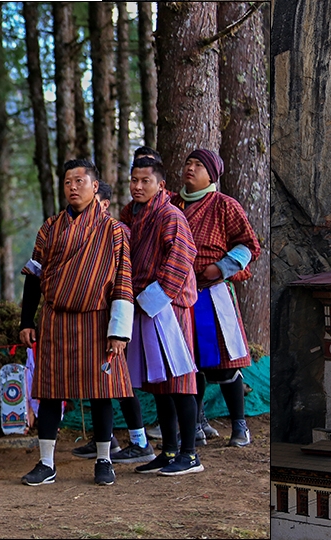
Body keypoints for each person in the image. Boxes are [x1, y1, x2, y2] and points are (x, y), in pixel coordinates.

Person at [18, 159, 135, 487]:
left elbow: (124, 282)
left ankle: (104, 460)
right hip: (55, 319)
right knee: (51, 392)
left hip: (97, 320)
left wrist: (118, 332)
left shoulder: (113, 231)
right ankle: (46, 463)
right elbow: (33, 276)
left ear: (95, 187)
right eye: (68, 181)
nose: (73, 187)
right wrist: (27, 320)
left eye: (80, 181)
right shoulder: (51, 227)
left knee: (101, 393)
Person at [71, 147, 165, 463]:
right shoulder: (82, 230)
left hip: (122, 313)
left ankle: (139, 441)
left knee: (120, 379)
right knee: (105, 381)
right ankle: (107, 439)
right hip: (101, 315)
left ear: (104, 203)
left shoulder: (116, 231)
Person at [119, 155, 207, 475]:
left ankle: (190, 454)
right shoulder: (136, 215)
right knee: (160, 384)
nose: (138, 186)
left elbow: (183, 258)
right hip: (146, 305)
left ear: (161, 185)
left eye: (145, 181)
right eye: (134, 180)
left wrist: (154, 298)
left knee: (180, 381)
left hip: (169, 307)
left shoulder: (170, 214)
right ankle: (169, 451)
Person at [174, 148, 263, 447]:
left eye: (198, 165)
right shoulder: (172, 204)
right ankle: (197, 423)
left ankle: (240, 426)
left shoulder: (225, 205)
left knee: (224, 362)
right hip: (179, 292)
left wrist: (220, 267)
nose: (191, 168)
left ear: (211, 175)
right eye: (188, 163)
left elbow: (249, 245)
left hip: (213, 293)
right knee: (189, 360)